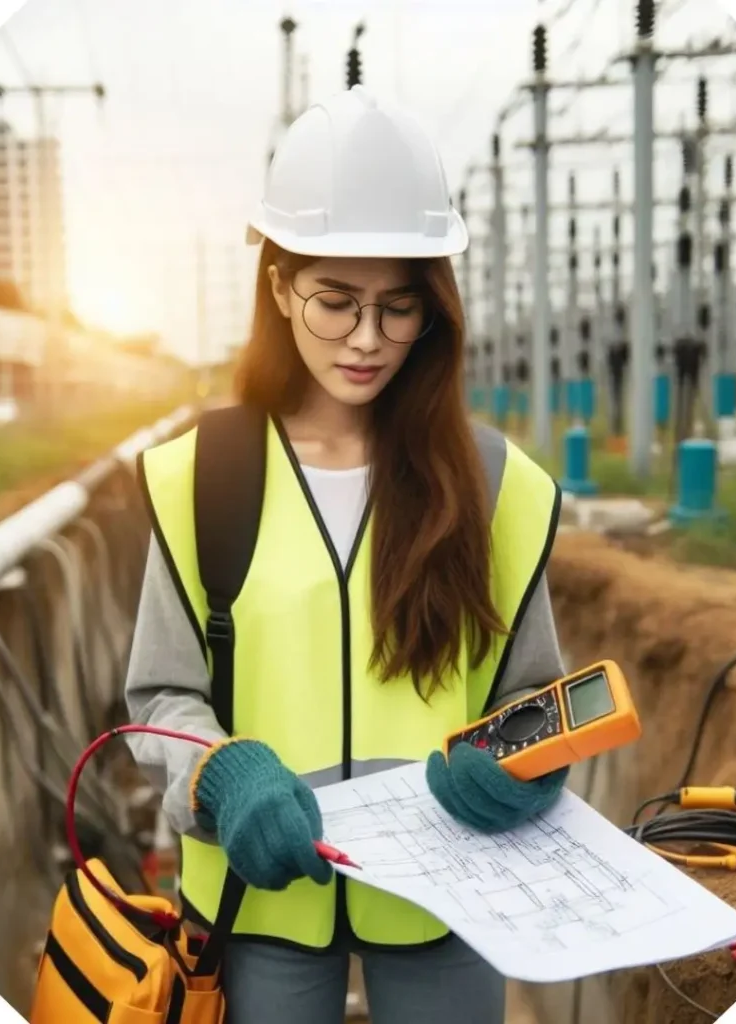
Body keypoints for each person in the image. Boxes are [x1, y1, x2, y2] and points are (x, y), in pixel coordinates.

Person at [125, 86, 570, 1024]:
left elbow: (535, 698)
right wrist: (221, 774)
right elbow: (161, 699)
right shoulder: (204, 476)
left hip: (448, 896)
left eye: (398, 308)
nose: (368, 340)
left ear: (433, 311)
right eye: (335, 300)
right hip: (260, 897)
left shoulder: (499, 485)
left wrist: (526, 764)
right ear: (280, 285)